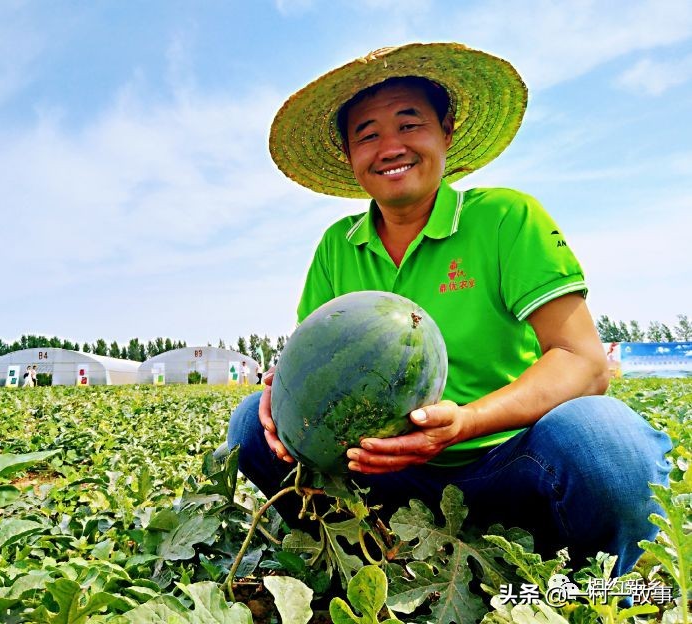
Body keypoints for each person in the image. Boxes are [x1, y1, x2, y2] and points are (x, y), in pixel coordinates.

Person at [227, 42, 671, 576]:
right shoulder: (335, 247)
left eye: (409, 125)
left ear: (447, 132)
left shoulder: (506, 217)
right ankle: (364, 555)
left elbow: (584, 362)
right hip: (382, 476)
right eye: (367, 135)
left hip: (509, 462)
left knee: (602, 436)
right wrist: (283, 392)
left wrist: (464, 422)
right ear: (349, 156)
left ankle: (601, 584)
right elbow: (315, 359)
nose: (390, 147)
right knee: (249, 423)